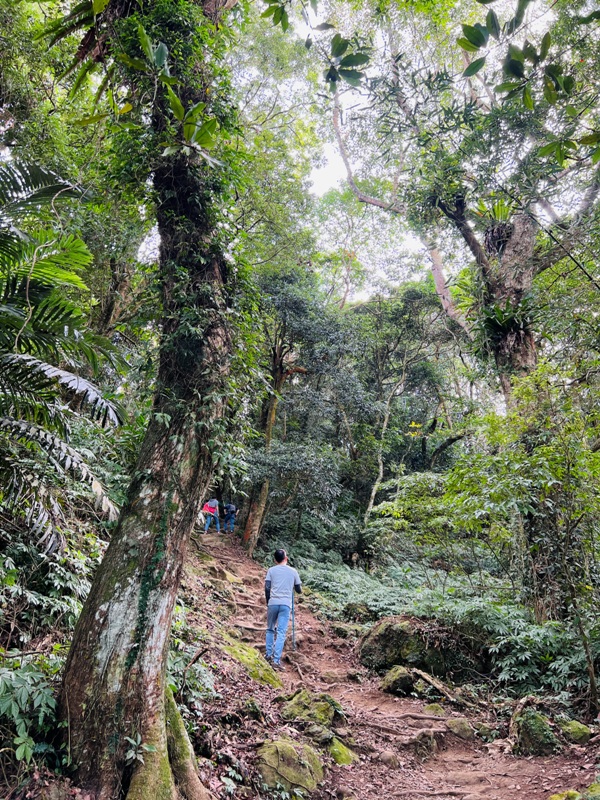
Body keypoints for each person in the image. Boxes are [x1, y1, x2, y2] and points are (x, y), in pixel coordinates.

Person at [264, 548, 301, 670]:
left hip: (273, 602)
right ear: (286, 558)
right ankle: (276, 660)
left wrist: (268, 601)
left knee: (270, 629)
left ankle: (268, 655)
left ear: (275, 560)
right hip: (285, 604)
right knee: (281, 632)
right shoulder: (293, 571)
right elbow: (298, 589)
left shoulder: (271, 570)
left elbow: (267, 587)